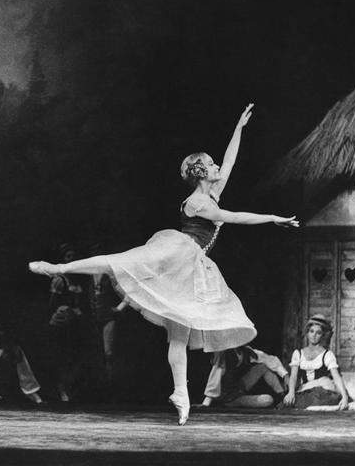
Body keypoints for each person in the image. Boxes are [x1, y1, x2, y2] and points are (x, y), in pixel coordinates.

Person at [29, 103, 299, 425]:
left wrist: (238, 128)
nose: (217, 167)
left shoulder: (212, 192)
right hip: (177, 253)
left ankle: (181, 395)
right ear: (201, 173)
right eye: (210, 164)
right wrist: (272, 217)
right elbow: (233, 217)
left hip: (193, 267)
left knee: (179, 333)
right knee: (119, 261)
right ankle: (58, 268)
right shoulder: (198, 202)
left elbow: (229, 161)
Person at [46, 243, 89, 402]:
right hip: (62, 321)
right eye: (68, 257)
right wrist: (62, 311)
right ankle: (61, 388)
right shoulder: (60, 280)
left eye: (74, 257)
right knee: (62, 355)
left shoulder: (78, 281)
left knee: (74, 355)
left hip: (75, 321)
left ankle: (69, 387)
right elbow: (52, 303)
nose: (71, 260)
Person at [281, 314, 349, 410]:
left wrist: (345, 396)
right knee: (287, 403)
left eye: (318, 333)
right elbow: (293, 376)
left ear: (322, 335)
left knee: (316, 397)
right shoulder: (298, 353)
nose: (314, 335)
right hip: (306, 390)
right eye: (311, 331)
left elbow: (336, 376)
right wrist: (291, 392)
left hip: (324, 390)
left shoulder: (327, 354)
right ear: (307, 333)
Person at [89, 241, 128, 389]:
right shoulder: (89, 274)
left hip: (108, 317)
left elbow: (128, 293)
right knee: (96, 352)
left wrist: (119, 308)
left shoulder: (111, 273)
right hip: (93, 317)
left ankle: (112, 385)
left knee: (109, 353)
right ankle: (100, 385)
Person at [199, 344, 287, 408]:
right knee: (267, 400)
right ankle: (226, 403)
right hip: (226, 397)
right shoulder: (224, 353)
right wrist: (207, 400)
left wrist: (285, 376)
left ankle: (282, 397)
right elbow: (216, 374)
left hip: (238, 388)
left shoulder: (247, 350)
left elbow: (269, 360)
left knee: (262, 367)